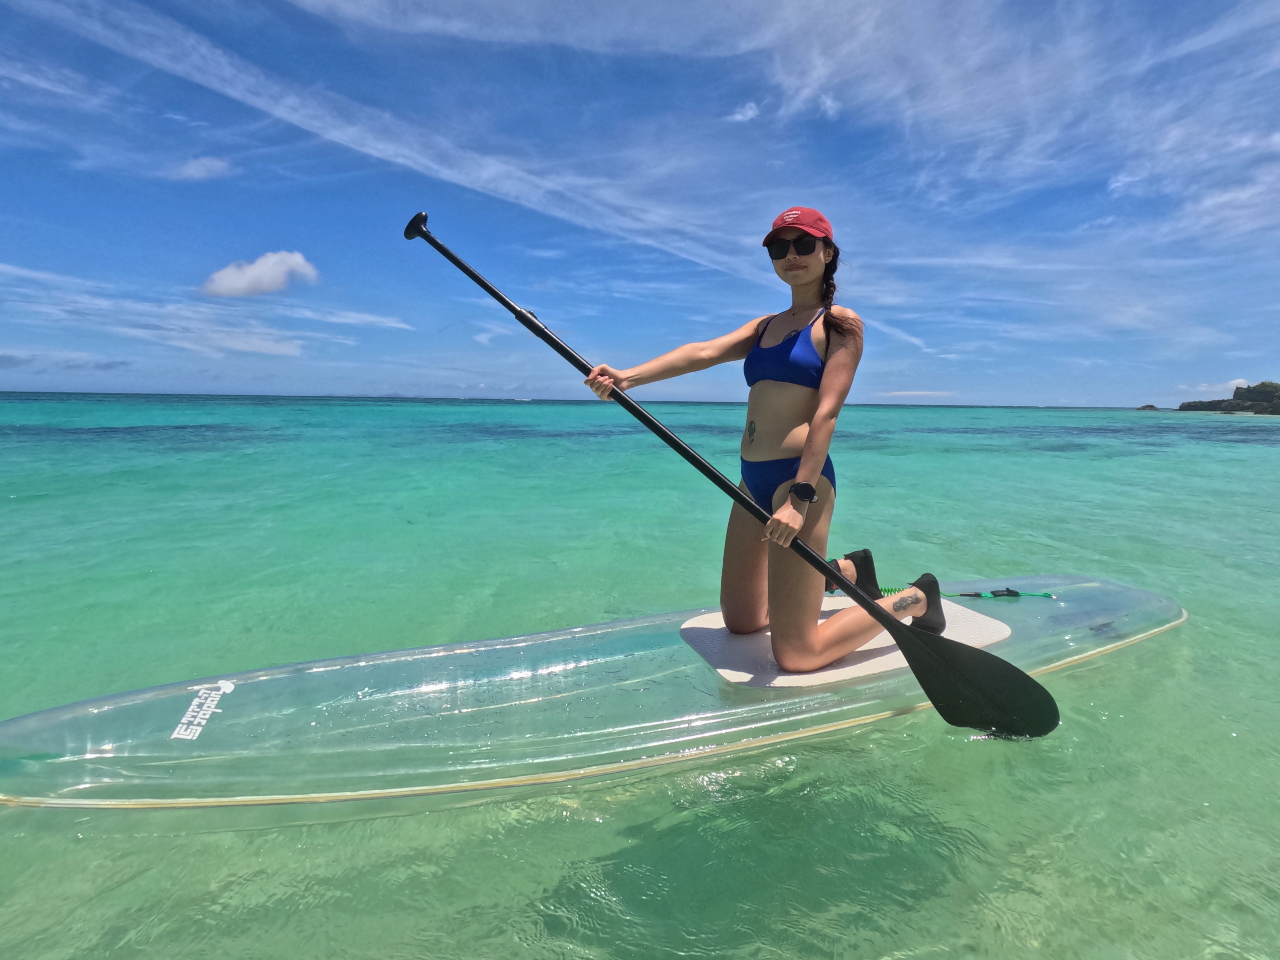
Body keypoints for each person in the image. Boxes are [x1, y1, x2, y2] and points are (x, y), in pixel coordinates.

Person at [586, 207, 944, 672]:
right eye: (779, 247)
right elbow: (703, 352)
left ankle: (916, 597)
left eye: (803, 244)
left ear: (828, 252)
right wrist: (627, 378)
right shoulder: (765, 326)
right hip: (750, 480)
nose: (790, 255)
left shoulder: (839, 324)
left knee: (796, 655)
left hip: (798, 482)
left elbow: (827, 414)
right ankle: (847, 571)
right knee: (742, 622)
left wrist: (799, 497)